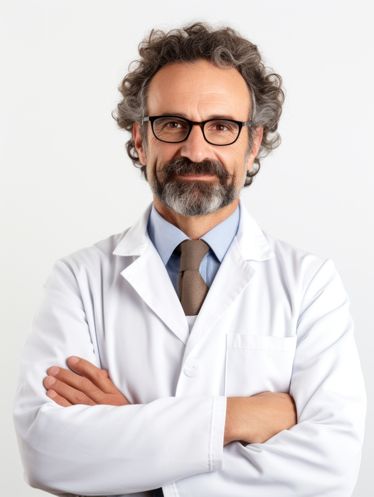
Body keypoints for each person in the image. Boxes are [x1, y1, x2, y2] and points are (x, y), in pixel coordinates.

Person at [14, 22, 366, 497]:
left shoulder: (309, 284)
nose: (196, 150)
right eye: (173, 124)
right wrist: (238, 415)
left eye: (221, 126)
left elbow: (330, 468)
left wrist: (130, 447)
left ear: (254, 141)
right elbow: (48, 451)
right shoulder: (80, 279)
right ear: (140, 138)